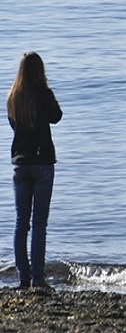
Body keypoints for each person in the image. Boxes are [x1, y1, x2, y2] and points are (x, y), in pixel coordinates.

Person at [6, 52, 63, 291]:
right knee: (39, 224)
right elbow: (57, 117)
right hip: (42, 163)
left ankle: (23, 277)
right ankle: (38, 278)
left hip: (20, 164)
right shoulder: (44, 94)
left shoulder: (13, 97)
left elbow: (13, 124)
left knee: (21, 223)